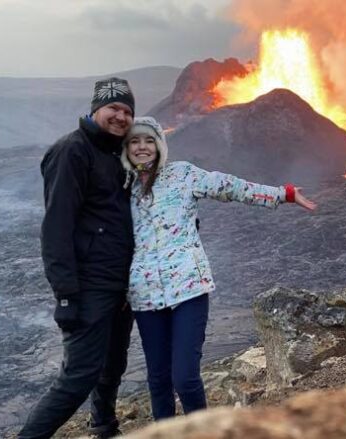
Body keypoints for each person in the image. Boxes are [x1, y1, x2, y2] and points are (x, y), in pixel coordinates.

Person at [121, 116, 316, 420]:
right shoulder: (123, 190)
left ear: (159, 145)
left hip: (189, 288)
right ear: (126, 148)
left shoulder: (182, 174)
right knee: (158, 381)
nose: (142, 147)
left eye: (149, 140)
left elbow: (229, 186)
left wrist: (283, 194)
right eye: (134, 141)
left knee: (184, 378)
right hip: (145, 297)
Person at [19, 78, 137, 439]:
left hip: (121, 283)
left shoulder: (119, 152)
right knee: (79, 376)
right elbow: (56, 227)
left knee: (112, 365)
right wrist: (66, 295)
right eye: (113, 108)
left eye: (127, 111)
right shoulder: (72, 151)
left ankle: (104, 426)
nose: (120, 116)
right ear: (95, 108)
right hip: (89, 285)